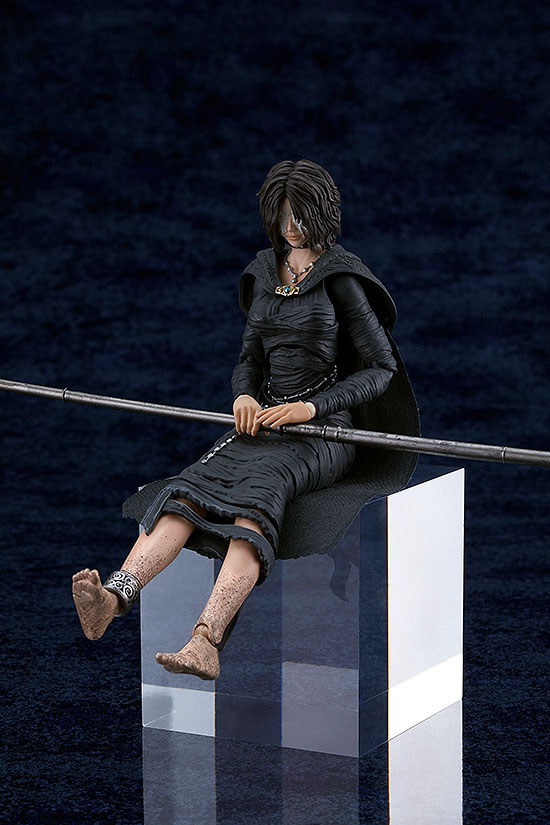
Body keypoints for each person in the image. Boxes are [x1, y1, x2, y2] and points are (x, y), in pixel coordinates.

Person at [72, 159, 416, 680]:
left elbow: (380, 368)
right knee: (186, 492)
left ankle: (205, 640)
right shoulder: (262, 275)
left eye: (301, 214)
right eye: (283, 215)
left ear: (322, 213)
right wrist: (244, 396)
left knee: (256, 501)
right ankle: (114, 598)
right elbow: (249, 360)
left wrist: (311, 408)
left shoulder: (341, 279)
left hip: (323, 432)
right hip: (262, 424)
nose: (291, 226)